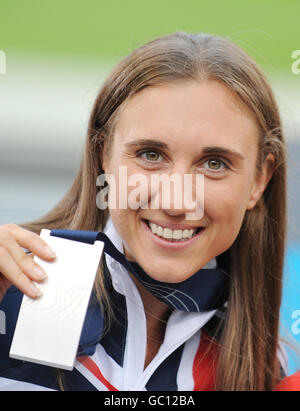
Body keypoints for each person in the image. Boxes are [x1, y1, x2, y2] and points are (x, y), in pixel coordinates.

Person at [0, 32, 298, 391]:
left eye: (214, 163)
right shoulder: (8, 294)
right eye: (151, 155)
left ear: (259, 180)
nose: (176, 203)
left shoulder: (263, 370)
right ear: (103, 155)